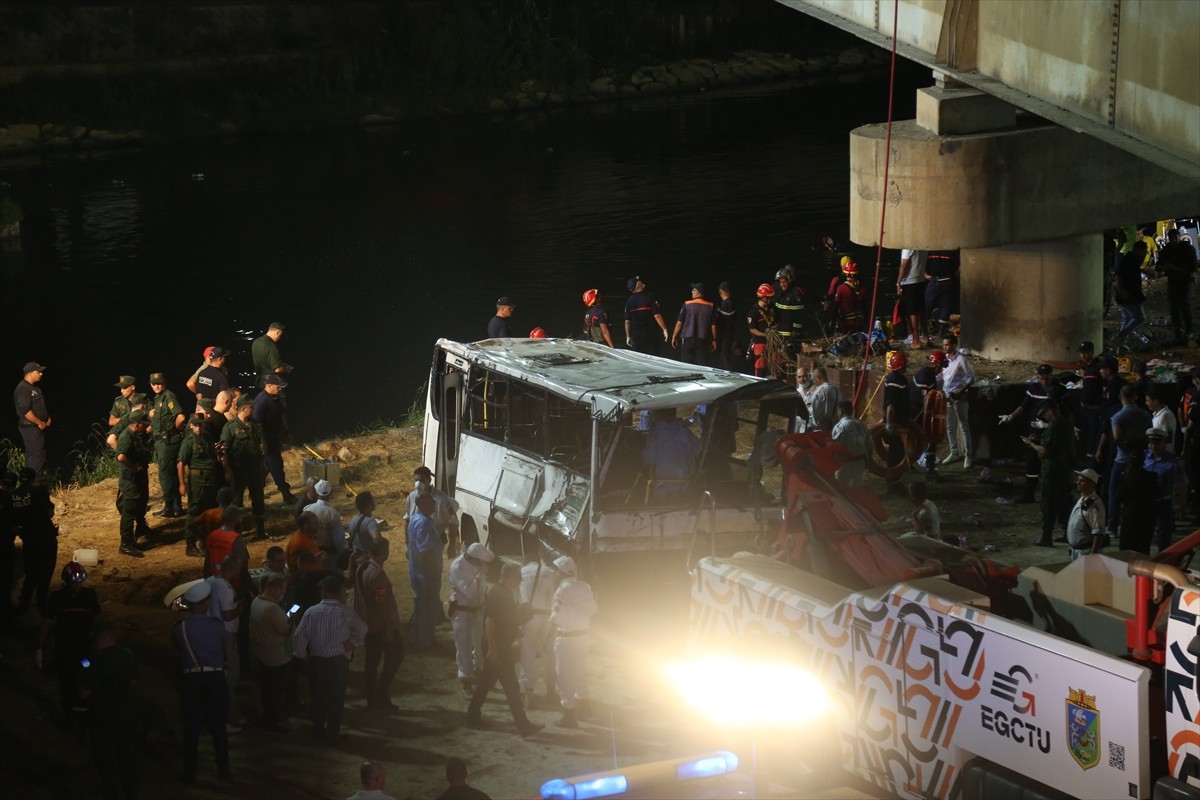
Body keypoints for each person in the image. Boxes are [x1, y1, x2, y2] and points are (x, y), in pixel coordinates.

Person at [466, 561, 543, 738]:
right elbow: (490, 622)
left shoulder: (505, 593)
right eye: (518, 577)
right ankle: (524, 726)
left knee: (486, 683)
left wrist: (515, 629)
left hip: (500, 644)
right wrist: (493, 649)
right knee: (511, 687)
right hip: (498, 646)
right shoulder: (498, 594)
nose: (521, 580)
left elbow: (504, 618)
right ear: (508, 576)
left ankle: (472, 716)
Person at [292, 575, 367, 742]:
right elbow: (363, 628)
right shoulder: (345, 612)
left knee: (317, 697)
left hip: (317, 660)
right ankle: (333, 734)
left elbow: (298, 636)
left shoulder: (311, 612)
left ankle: (318, 731)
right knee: (336, 698)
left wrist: (302, 655)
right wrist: (353, 642)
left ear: (323, 592)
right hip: (338, 660)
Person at [173, 580, 233, 783]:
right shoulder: (217, 626)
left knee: (191, 728)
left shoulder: (180, 628)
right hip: (215, 677)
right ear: (204, 605)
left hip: (192, 679)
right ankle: (223, 769)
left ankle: (190, 772)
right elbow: (227, 645)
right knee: (218, 726)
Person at [38, 561, 101, 725]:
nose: (78, 584)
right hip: (64, 652)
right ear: (67, 580)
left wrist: (99, 644)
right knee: (66, 683)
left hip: (85, 652)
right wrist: (39, 647)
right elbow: (47, 621)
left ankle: (87, 715)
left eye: (81, 580)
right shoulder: (57, 598)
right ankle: (69, 715)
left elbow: (96, 621)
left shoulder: (89, 596)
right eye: (75, 580)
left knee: (86, 678)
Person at [80, 622, 138, 800]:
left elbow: (85, 692)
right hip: (124, 711)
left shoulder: (97, 661)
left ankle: (112, 792)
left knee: (105, 756)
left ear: (98, 640)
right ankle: (130, 791)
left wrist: (83, 672)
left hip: (102, 714)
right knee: (125, 753)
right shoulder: (128, 655)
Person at [354, 537, 405, 712]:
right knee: (395, 656)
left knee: (371, 662)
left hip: (367, 623)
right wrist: (389, 629)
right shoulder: (378, 575)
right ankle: (381, 694)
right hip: (380, 626)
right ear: (385, 553)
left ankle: (372, 698)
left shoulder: (362, 568)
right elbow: (381, 602)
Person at [550, 555, 597, 729]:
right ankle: (585, 707)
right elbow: (593, 610)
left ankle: (569, 715)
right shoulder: (585, 587)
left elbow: (556, 616)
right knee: (579, 671)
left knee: (564, 676)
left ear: (561, 572)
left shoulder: (562, 590)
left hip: (567, 637)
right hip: (583, 637)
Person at [206, 553, 246, 732]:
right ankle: (228, 719)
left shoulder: (210, 581)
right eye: (238, 568)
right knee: (229, 679)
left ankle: (227, 716)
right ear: (232, 569)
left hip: (214, 633)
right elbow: (229, 614)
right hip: (226, 634)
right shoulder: (226, 588)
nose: (240, 571)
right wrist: (241, 607)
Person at [448, 541, 494, 694]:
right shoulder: (457, 567)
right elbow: (467, 593)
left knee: (479, 642)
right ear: (473, 559)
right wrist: (478, 578)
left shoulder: (479, 566)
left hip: (478, 610)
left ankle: (478, 669)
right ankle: (465, 678)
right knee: (464, 645)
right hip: (462, 612)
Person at [250, 574, 293, 732]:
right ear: (275, 589)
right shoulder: (272, 609)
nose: (283, 594)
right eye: (282, 590)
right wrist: (291, 619)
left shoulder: (256, 601)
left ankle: (269, 718)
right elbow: (285, 630)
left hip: (262, 653)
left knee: (267, 689)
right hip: (276, 657)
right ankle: (273, 722)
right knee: (275, 691)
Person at [12, 466, 57, 616]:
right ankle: (42, 606)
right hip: (45, 538)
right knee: (45, 573)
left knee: (30, 574)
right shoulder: (40, 491)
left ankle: (24, 605)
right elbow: (50, 513)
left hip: (28, 540)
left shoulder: (13, 495)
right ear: (33, 479)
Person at [1027, 399, 1073, 547]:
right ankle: (1067, 532)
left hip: (1053, 469)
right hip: (1064, 468)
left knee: (1048, 504)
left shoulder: (1055, 425)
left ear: (1051, 410)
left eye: (1045, 413)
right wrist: (1039, 439)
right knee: (1063, 502)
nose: (1044, 416)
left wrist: (1032, 444)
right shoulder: (1066, 424)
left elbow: (1045, 450)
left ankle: (1046, 536)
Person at [1108, 384, 1152, 535]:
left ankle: (1112, 526)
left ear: (1121, 397)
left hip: (1122, 460)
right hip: (1141, 459)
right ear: (1135, 397)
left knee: (1114, 493)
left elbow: (1117, 438)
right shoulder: (1145, 414)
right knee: (1138, 494)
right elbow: (1149, 435)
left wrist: (1126, 449)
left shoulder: (1118, 417)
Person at [519, 554, 562, 706]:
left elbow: (517, 598)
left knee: (527, 654)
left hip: (528, 618)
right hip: (547, 618)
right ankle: (551, 690)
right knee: (549, 654)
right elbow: (556, 597)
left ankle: (529, 691)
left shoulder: (521, 572)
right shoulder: (550, 572)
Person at [221, 397, 267, 540]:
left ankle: (261, 530)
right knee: (236, 501)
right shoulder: (230, 427)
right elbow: (223, 450)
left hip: (254, 469)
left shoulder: (254, 425)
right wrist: (227, 469)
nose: (253, 410)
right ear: (243, 408)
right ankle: (236, 533)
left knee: (258, 499)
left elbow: (259, 443)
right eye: (251, 408)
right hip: (238, 470)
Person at [178, 414, 222, 558]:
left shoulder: (207, 438)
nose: (198, 427)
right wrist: (182, 484)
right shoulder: (189, 441)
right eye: (195, 425)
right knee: (194, 512)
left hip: (211, 479)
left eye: (201, 424)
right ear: (191, 426)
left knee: (209, 511)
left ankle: (205, 541)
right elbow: (181, 463)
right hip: (198, 481)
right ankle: (190, 544)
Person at [407, 492, 444, 648]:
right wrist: (433, 570)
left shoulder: (416, 519)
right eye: (431, 503)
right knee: (427, 607)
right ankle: (426, 639)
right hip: (426, 573)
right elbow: (424, 550)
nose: (434, 505)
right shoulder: (423, 523)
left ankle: (418, 635)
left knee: (422, 604)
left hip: (419, 570)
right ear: (422, 505)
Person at [253, 374, 297, 505]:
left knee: (266, 468)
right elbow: (257, 423)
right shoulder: (262, 401)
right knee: (276, 467)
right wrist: (262, 442)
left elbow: (281, 414)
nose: (280, 389)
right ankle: (286, 495)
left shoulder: (276, 397)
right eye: (278, 387)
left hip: (274, 437)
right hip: (267, 440)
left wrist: (286, 431)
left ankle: (255, 492)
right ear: (269, 386)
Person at [115, 409, 153, 558]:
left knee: (141, 503)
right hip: (130, 479)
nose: (145, 427)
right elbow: (121, 456)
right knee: (129, 511)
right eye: (144, 424)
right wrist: (133, 467)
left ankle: (141, 528)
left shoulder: (137, 434)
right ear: (137, 425)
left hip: (139, 476)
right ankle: (125, 543)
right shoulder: (126, 436)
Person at [641, 408, 701, 501]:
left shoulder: (656, 433)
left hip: (662, 485)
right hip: (684, 482)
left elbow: (650, 458)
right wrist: (686, 456)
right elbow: (698, 448)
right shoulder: (684, 430)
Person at [149, 372, 187, 518]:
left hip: (167, 443)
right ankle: (177, 507)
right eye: (154, 384)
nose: (157, 386)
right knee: (171, 475)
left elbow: (181, 417)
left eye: (159, 383)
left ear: (164, 383)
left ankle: (169, 507)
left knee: (165, 476)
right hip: (163, 442)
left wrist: (172, 431)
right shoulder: (158, 398)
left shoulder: (168, 397)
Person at [1144, 427, 1186, 554]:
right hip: (1147, 502)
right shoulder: (1143, 458)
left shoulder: (1173, 462)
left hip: (1164, 502)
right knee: (1145, 533)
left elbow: (1182, 484)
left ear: (1163, 443)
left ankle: (1164, 560)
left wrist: (1182, 505)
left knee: (1164, 535)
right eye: (1151, 442)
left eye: (1157, 442)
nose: (1154, 446)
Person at [406, 466, 461, 558]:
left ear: (429, 480)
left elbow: (453, 522)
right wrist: (407, 545)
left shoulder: (441, 499)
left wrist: (452, 545)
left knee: (431, 570)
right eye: (416, 480)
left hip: (434, 545)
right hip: (415, 544)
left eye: (422, 480)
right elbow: (407, 521)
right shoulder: (411, 497)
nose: (418, 484)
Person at [912, 352, 946, 481]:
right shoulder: (923, 376)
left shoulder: (931, 376)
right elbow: (926, 398)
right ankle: (909, 464)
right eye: (940, 366)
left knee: (931, 439)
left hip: (925, 412)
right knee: (918, 439)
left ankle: (929, 469)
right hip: (917, 413)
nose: (941, 369)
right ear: (934, 364)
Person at [941, 335, 974, 469]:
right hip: (947, 397)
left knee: (963, 426)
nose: (945, 347)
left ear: (954, 345)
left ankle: (968, 456)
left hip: (959, 398)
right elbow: (942, 376)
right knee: (949, 426)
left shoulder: (961, 360)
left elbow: (971, 378)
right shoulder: (945, 359)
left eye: (947, 344)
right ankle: (954, 452)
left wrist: (961, 391)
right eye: (944, 345)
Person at [1160, 228, 1198, 343]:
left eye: (1175, 238)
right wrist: (1163, 267)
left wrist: (1175, 268)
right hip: (1173, 280)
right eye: (1171, 239)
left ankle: (1189, 329)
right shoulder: (1167, 249)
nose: (1173, 241)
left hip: (1186, 280)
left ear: (1179, 237)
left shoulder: (1187, 248)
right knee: (1174, 306)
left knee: (1185, 304)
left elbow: (1192, 266)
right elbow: (1159, 264)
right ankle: (1178, 330)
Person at [14, 361, 51, 477]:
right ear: (30, 373)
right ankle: (34, 484)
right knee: (36, 455)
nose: (41, 374)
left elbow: (38, 406)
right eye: (38, 372)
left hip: (36, 427)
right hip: (31, 427)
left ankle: (29, 483)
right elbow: (25, 411)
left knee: (34, 455)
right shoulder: (23, 388)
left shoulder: (34, 387)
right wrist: (40, 422)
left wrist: (47, 418)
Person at [882, 350, 910, 494]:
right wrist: (889, 423)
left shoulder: (898, 378)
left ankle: (896, 482)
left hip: (899, 422)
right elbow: (891, 405)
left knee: (898, 454)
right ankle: (892, 484)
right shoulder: (895, 381)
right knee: (895, 454)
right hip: (896, 423)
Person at [670, 282, 717, 365]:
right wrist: (714, 339)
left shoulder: (687, 304)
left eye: (693, 290)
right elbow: (713, 325)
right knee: (701, 365)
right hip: (702, 340)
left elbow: (679, 322)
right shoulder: (710, 306)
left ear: (698, 292)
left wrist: (674, 336)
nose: (692, 291)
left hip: (688, 339)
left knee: (686, 365)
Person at [1065, 469, 1107, 560]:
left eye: (1082, 481)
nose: (1078, 483)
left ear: (1091, 484)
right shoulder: (1082, 499)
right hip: (1077, 552)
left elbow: (1099, 533)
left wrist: (1092, 555)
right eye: (1078, 480)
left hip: (1086, 553)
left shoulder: (1094, 506)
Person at [304, 479, 347, 563]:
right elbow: (338, 540)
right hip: (329, 553)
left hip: (311, 551)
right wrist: (344, 550)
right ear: (330, 493)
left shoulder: (307, 509)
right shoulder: (332, 514)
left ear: (316, 493)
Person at [624, 276, 670, 355]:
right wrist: (664, 329)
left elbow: (627, 321)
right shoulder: (649, 296)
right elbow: (657, 315)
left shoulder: (629, 301)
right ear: (638, 284)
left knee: (638, 359)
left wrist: (628, 336)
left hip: (636, 336)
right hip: (650, 334)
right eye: (639, 281)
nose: (641, 281)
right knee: (654, 357)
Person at [1114, 240, 1148, 343]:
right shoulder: (1126, 260)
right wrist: (1122, 292)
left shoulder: (1134, 260)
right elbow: (1118, 278)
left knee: (1127, 318)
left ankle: (1121, 341)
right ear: (1137, 250)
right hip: (1128, 295)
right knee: (1139, 318)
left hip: (1128, 294)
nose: (1144, 254)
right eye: (1143, 252)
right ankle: (1120, 336)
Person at [831, 400, 870, 486]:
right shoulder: (862, 424)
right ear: (852, 411)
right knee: (857, 490)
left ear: (840, 411)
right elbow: (869, 445)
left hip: (845, 464)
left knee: (842, 490)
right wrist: (868, 461)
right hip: (860, 463)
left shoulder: (839, 427)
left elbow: (835, 448)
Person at [897, 249, 929, 347]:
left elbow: (904, 265)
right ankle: (926, 337)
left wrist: (898, 283)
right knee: (921, 310)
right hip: (920, 280)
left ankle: (916, 341)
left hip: (909, 281)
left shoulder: (907, 247)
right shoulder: (921, 244)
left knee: (912, 312)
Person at [347, 491, 380, 575]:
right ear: (369, 505)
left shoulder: (353, 520)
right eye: (373, 501)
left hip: (357, 564)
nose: (375, 503)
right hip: (370, 565)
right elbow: (377, 539)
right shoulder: (370, 522)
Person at [771, 267, 804, 352]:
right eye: (780, 282)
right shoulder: (778, 292)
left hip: (789, 332)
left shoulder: (795, 295)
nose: (782, 284)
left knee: (788, 353)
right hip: (778, 330)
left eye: (784, 282)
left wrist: (796, 331)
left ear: (789, 281)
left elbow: (799, 316)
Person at [251, 322, 292, 389]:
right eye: (281, 335)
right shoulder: (271, 346)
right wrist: (286, 368)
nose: (280, 338)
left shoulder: (256, 342)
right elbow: (277, 369)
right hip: (272, 384)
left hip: (259, 382)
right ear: (277, 332)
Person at [747, 283, 775, 378]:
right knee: (761, 367)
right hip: (760, 343)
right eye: (769, 297)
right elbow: (752, 330)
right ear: (763, 298)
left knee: (776, 365)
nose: (771, 299)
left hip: (772, 343)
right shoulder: (754, 311)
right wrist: (765, 335)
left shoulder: (771, 309)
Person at [805, 367, 843, 431]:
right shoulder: (837, 390)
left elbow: (815, 413)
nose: (814, 382)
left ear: (818, 378)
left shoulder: (818, 392)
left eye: (814, 379)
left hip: (821, 430)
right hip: (836, 428)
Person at [286, 511, 323, 576]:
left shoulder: (308, 536)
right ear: (305, 526)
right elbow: (298, 569)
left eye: (318, 522)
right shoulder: (298, 544)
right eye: (315, 523)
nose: (318, 525)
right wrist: (315, 561)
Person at [831, 263, 865, 333]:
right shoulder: (862, 287)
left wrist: (832, 322)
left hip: (846, 323)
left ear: (846, 274)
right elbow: (865, 305)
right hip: (859, 321)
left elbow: (836, 305)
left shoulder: (841, 288)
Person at [105, 376, 137, 449]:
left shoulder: (142, 400)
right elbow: (111, 421)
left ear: (133, 387)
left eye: (124, 388)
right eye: (121, 388)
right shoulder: (119, 401)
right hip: (122, 433)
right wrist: (126, 419)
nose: (121, 391)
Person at [714, 281, 737, 371]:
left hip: (724, 335)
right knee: (724, 356)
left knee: (724, 357)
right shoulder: (733, 303)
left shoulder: (725, 305)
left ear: (721, 291)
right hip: (729, 333)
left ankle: (727, 375)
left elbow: (719, 321)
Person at [1147, 387, 1178, 454]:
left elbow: (1168, 439)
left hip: (1165, 456)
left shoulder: (1165, 415)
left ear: (1156, 401)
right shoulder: (1157, 414)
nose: (1146, 403)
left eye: (1148, 401)